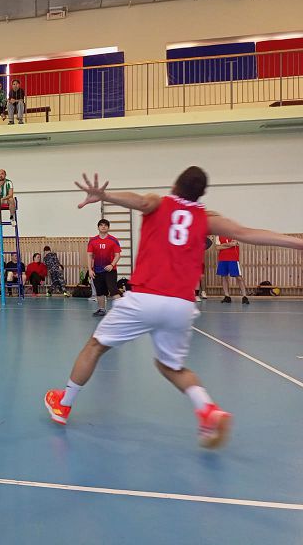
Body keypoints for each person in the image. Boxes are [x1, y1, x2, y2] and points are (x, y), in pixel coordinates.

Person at [44, 168, 303, 449]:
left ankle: (64, 404)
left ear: (175, 185)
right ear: (201, 194)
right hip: (181, 305)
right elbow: (246, 233)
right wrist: (298, 243)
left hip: (145, 298)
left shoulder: (160, 203)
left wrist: (106, 196)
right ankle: (207, 409)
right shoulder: (206, 218)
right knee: (170, 366)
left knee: (95, 346)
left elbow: (141, 202)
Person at [88, 219, 122, 316]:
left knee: (113, 290)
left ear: (108, 227)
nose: (103, 227)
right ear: (98, 227)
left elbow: (117, 255)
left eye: (105, 225)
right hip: (97, 270)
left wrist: (112, 265)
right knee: (99, 291)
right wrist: (90, 269)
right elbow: (89, 255)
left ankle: (124, 310)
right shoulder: (92, 241)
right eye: (101, 225)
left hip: (110, 270)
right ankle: (101, 309)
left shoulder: (113, 240)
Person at [216, 236, 249, 304]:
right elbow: (217, 247)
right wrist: (229, 245)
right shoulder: (218, 236)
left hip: (233, 258)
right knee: (224, 277)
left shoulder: (234, 234)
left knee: (238, 277)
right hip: (222, 259)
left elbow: (233, 244)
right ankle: (227, 296)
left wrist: (222, 245)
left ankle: (244, 296)